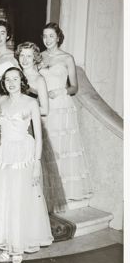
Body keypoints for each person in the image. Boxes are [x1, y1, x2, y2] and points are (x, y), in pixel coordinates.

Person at [0, 67, 53, 263]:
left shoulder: (31, 102)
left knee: (19, 199)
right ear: (3, 82)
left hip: (23, 153)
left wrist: (36, 163)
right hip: (3, 152)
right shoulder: (2, 100)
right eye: (8, 79)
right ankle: (7, 243)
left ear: (22, 81)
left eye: (15, 79)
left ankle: (18, 246)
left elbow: (39, 137)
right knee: (4, 197)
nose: (11, 82)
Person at [39, 22, 92, 202]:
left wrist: (60, 92)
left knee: (61, 146)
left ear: (58, 38)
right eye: (45, 36)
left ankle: (64, 191)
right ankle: (46, 190)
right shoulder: (39, 57)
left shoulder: (67, 58)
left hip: (61, 105)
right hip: (43, 105)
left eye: (51, 36)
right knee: (45, 146)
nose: (47, 40)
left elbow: (75, 87)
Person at [16, 41, 66, 213]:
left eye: (29, 56)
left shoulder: (39, 79)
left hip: (31, 128)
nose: (25, 59)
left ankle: (32, 212)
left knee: (32, 171)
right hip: (14, 129)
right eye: (22, 55)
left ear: (36, 58)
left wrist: (26, 110)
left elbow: (45, 109)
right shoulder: (14, 75)